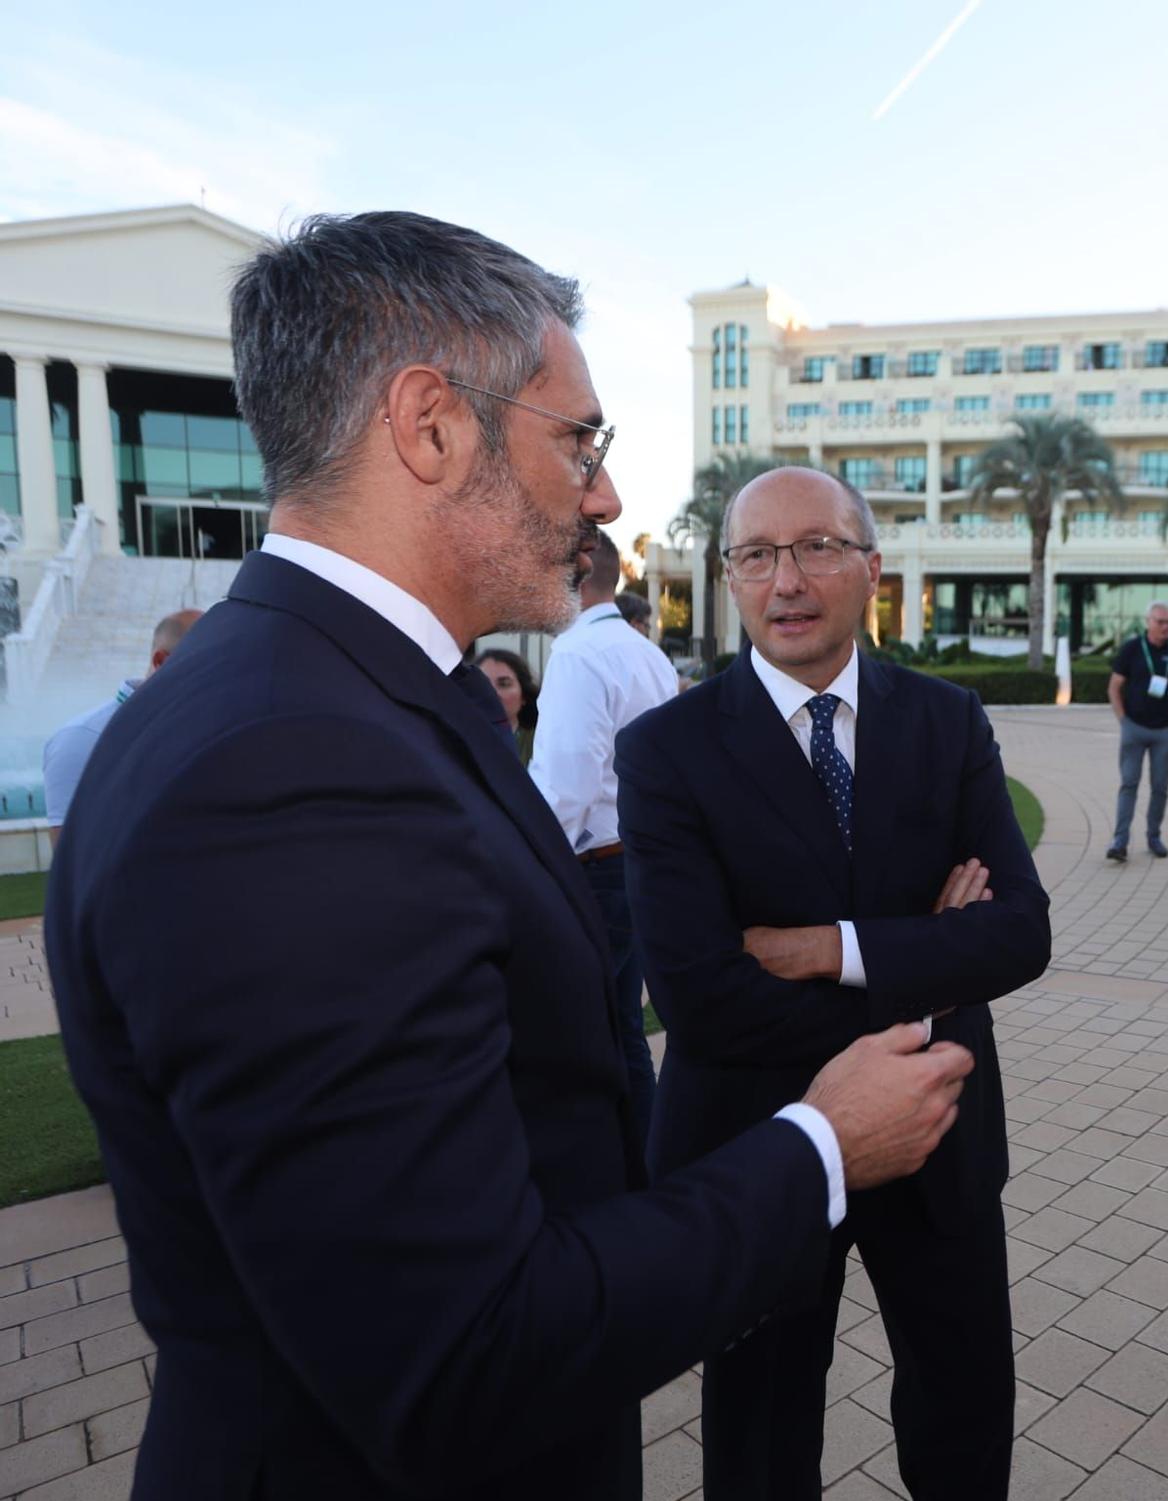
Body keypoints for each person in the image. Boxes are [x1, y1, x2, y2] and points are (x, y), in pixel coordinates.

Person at [44, 211, 974, 1501]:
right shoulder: (291, 769)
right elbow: (463, 1350)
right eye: (579, 440)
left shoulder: (350, 691)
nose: (602, 497)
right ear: (431, 424)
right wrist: (823, 1143)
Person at [617, 466, 1050, 1501]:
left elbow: (1020, 932)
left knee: (962, 1410)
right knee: (759, 1437)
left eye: (815, 547)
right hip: (760, 1143)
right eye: (756, 555)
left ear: (869, 568)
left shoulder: (946, 723)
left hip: (937, 1129)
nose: (786, 580)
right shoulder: (665, 750)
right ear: (729, 579)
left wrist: (831, 946)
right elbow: (700, 999)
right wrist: (926, 950)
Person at [529, 526, 681, 1140]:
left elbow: (564, 789)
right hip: (638, 864)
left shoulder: (577, 654)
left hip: (596, 871)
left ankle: (614, 1171)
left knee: (579, 1033)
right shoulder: (647, 652)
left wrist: (526, 873)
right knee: (622, 1029)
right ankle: (646, 1162)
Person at [41, 608, 202, 845]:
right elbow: (72, 865)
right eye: (209, 661)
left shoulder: (212, 730)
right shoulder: (80, 740)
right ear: (162, 661)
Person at [1106, 601, 1168, 859]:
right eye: (1160, 622)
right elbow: (1114, 686)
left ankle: (1154, 837)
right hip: (1134, 728)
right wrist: (1123, 720)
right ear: (1149, 622)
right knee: (1129, 784)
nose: (1165, 627)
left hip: (1166, 731)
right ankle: (1119, 842)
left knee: (1160, 787)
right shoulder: (1132, 649)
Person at [475, 645, 539, 764]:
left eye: (504, 684)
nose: (492, 693)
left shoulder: (541, 743)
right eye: (483, 683)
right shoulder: (455, 742)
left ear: (524, 695)